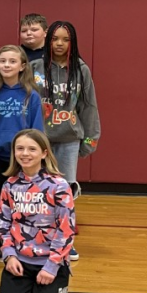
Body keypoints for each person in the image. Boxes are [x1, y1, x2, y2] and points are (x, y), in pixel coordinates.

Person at [33, 21, 101, 261]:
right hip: (39, 141)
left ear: (72, 43)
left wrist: (91, 138)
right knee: (37, 190)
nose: (59, 44)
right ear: (48, 41)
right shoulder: (35, 68)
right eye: (55, 39)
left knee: (64, 191)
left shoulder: (81, 70)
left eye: (65, 39)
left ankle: (64, 240)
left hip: (69, 139)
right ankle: (38, 235)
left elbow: (88, 105)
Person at [0, 129, 75, 293]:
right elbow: (3, 222)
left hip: (50, 263)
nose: (25, 153)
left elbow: (66, 230)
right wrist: (8, 255)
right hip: (19, 262)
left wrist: (52, 265)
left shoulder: (58, 186)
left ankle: (49, 291)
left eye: (32, 149)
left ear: (44, 153)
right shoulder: (9, 185)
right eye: (20, 148)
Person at [0, 46, 45, 264]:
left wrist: (34, 160)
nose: (7, 65)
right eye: (2, 61)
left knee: (25, 204)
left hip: (24, 162)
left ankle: (26, 246)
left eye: (12, 61)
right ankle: (0, 247)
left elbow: (37, 132)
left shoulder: (31, 96)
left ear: (22, 66)